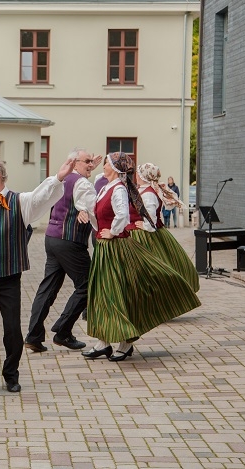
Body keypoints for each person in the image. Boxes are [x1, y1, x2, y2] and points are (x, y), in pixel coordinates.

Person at [0, 157, 75, 394]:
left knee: (11, 328)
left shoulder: (20, 201)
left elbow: (42, 196)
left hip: (9, 275)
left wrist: (58, 178)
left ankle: (11, 374)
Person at [82, 153, 200, 362]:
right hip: (104, 248)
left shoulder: (118, 188)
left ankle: (125, 342)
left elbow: (122, 216)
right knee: (102, 293)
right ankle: (103, 342)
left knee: (116, 293)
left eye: (107, 163)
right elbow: (98, 211)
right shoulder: (105, 187)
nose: (104, 165)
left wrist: (113, 231)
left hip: (116, 248)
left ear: (116, 168)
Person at [25, 150, 101, 353]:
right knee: (89, 285)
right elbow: (94, 210)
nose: (91, 165)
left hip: (52, 237)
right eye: (87, 161)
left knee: (48, 287)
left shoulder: (60, 179)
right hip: (70, 240)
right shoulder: (82, 184)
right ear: (74, 163)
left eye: (92, 162)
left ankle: (33, 336)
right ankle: (63, 330)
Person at [132, 163, 200, 294]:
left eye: (138, 172)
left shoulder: (148, 194)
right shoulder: (143, 189)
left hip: (147, 235)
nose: (136, 175)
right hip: (144, 232)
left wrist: (145, 225)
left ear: (143, 176)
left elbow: (151, 216)